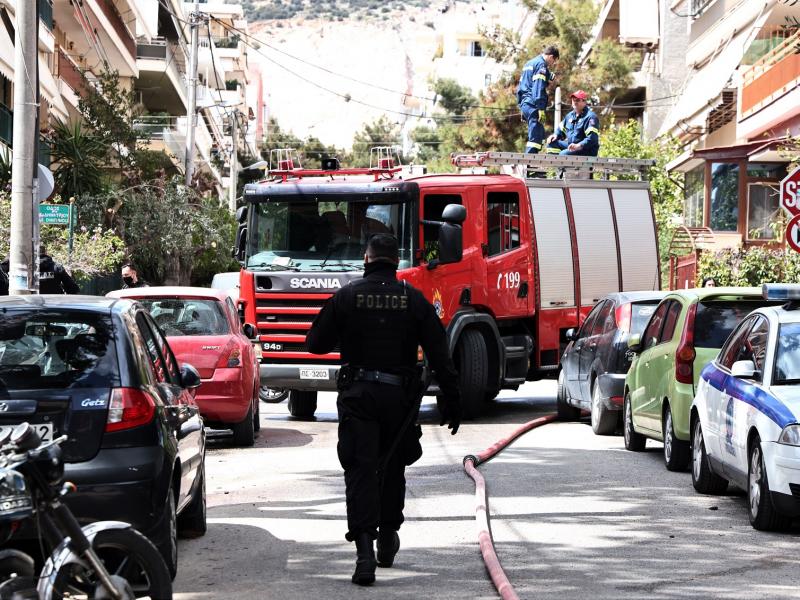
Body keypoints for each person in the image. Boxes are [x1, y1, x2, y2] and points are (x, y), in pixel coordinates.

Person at [306, 233, 461, 587]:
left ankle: (364, 554)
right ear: (395, 262)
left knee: (360, 471)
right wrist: (452, 401)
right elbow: (440, 353)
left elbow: (315, 344)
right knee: (392, 467)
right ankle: (388, 536)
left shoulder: (346, 296)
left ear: (367, 258)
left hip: (359, 397)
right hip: (399, 400)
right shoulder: (413, 299)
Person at [516, 45, 559, 154]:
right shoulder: (541, 65)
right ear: (551, 57)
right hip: (533, 104)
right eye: (554, 61)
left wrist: (522, 107)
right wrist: (540, 108)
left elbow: (521, 86)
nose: (552, 64)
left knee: (538, 133)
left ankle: (531, 165)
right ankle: (530, 167)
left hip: (525, 103)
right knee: (536, 137)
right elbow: (538, 86)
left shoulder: (529, 63)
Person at [545, 90, 600, 156]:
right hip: (572, 146)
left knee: (563, 154)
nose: (574, 102)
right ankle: (555, 165)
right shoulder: (569, 116)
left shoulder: (590, 117)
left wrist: (579, 145)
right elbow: (560, 130)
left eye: (577, 100)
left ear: (584, 102)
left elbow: (592, 138)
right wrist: (555, 135)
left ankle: (563, 165)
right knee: (552, 143)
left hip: (586, 149)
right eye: (573, 100)